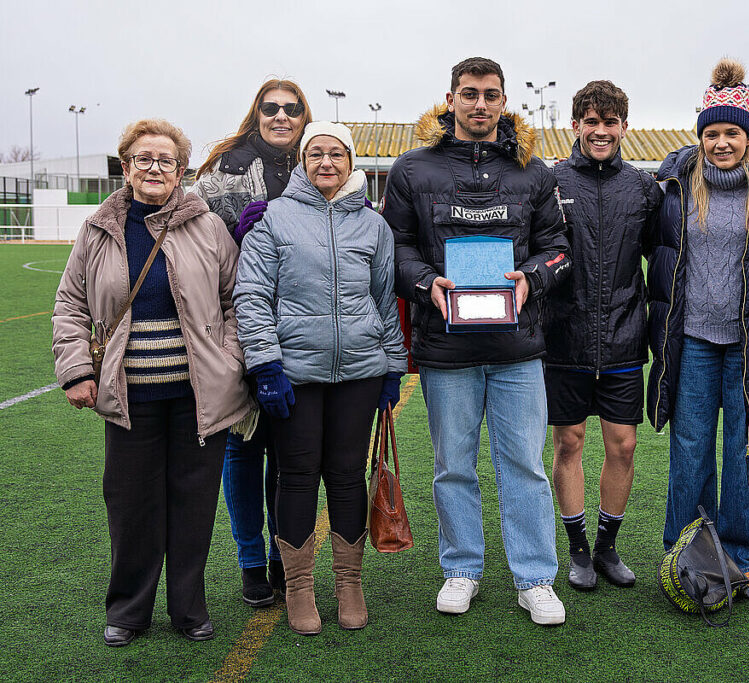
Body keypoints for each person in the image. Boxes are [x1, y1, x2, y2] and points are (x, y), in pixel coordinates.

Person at [383, 57, 571, 625]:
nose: (480, 104)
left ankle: (535, 578)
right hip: (447, 350)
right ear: (451, 99)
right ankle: (461, 568)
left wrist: (531, 277)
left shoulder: (533, 171)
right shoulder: (412, 169)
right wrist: (425, 283)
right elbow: (395, 249)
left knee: (525, 467)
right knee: (453, 468)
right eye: (469, 94)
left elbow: (558, 249)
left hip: (518, 350)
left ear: (504, 101)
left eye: (490, 95)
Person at [52, 119, 253, 646]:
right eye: (144, 158)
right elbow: (70, 304)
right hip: (129, 396)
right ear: (127, 167)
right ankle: (128, 610)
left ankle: (188, 608)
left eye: (166, 160)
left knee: (194, 505)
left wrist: (229, 361)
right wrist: (76, 369)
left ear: (181, 170)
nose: (155, 168)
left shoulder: (206, 225)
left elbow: (237, 301)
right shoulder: (99, 228)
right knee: (131, 508)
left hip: (198, 395)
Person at [234, 121, 407, 634]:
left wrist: (393, 366)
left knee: (348, 476)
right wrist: (265, 365)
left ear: (351, 161)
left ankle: (350, 584)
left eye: (336, 153)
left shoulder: (374, 226)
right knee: (297, 476)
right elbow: (252, 296)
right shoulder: (273, 219)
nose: (326, 162)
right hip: (295, 374)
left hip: (360, 372)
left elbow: (385, 301)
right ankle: (299, 587)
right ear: (303, 162)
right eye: (316, 154)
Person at [647, 59, 749, 598]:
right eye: (712, 133)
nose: (722, 143)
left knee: (748, 448)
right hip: (693, 341)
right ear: (700, 136)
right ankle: (687, 555)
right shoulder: (676, 184)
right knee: (690, 450)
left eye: (732, 132)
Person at [191, 79, 312, 607]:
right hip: (239, 328)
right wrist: (235, 238)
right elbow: (194, 248)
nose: (281, 116)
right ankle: (250, 561)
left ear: (305, 115)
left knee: (289, 456)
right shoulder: (224, 171)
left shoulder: (319, 163)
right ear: (256, 113)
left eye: (292, 108)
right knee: (243, 450)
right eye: (271, 107)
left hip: (304, 330)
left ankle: (287, 556)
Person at [544, 80, 662, 591]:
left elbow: (661, 257)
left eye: (610, 122)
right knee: (569, 442)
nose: (600, 131)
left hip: (623, 338)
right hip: (564, 339)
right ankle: (578, 551)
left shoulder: (642, 188)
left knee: (624, 445)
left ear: (624, 128)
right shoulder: (551, 182)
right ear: (575, 126)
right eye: (591, 122)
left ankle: (608, 547)